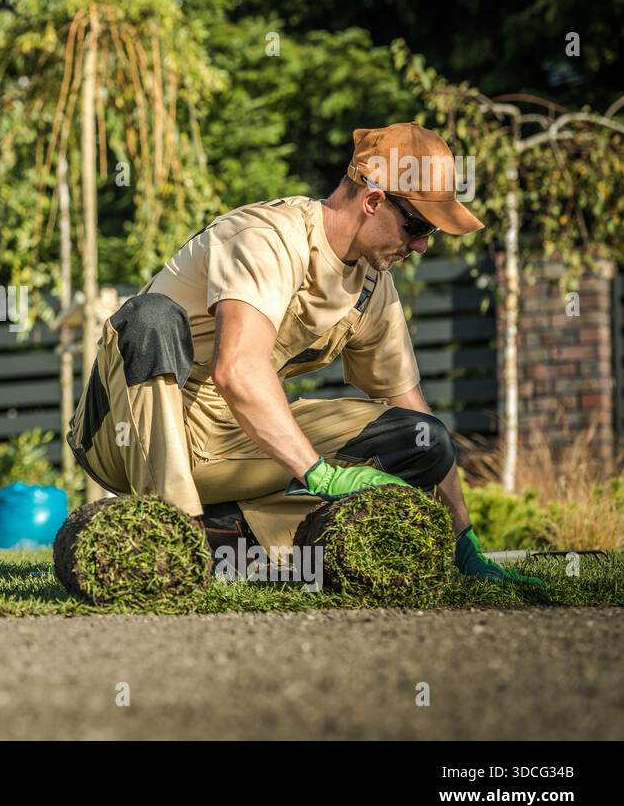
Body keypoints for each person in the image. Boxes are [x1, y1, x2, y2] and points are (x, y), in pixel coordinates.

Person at [67, 123, 536, 583]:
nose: (421, 245)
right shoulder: (266, 238)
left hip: (231, 443)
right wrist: (319, 475)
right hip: (126, 433)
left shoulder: (372, 287)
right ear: (374, 201)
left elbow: (409, 402)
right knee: (150, 316)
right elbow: (237, 370)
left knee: (423, 440)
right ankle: (176, 533)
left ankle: (228, 535)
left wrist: (463, 541)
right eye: (417, 226)